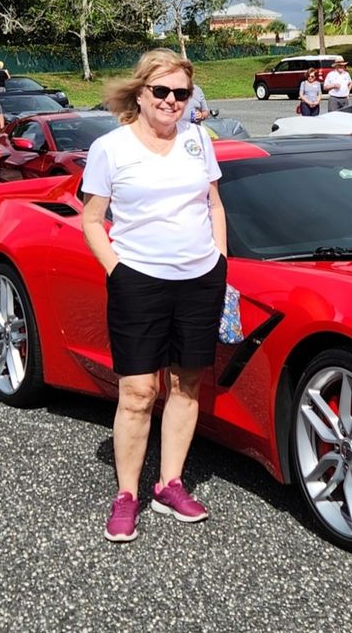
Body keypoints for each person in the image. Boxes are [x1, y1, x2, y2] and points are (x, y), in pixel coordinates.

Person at [81, 48, 227, 543]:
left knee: (187, 385)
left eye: (180, 93)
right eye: (161, 91)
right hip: (139, 279)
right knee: (138, 391)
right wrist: (117, 272)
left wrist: (220, 262)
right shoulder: (111, 148)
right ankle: (127, 494)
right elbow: (92, 220)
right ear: (141, 94)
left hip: (200, 278)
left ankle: (170, 484)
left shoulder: (197, 139)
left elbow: (214, 202)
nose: (171, 101)